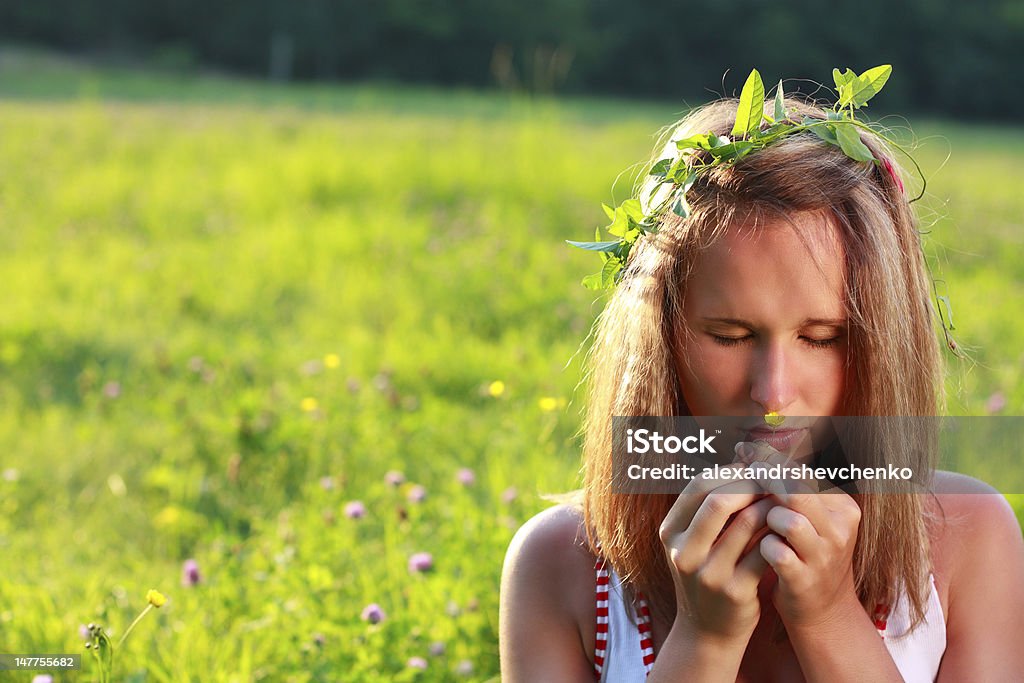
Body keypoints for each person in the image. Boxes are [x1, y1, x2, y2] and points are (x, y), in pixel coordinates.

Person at [499, 75, 1024, 682]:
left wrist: (829, 619)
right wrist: (705, 640)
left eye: (824, 339)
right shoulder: (561, 565)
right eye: (730, 336)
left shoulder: (966, 537)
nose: (772, 395)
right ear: (659, 338)